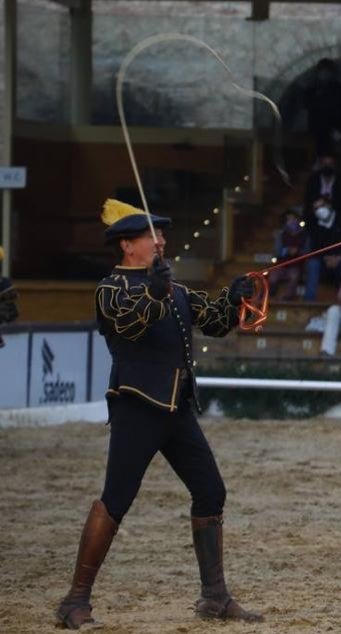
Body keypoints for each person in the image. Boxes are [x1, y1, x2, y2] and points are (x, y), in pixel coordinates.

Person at [55, 199, 261, 629]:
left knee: (211, 491)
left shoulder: (177, 290)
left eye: (162, 234)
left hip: (177, 410)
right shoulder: (110, 288)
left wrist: (233, 296)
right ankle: (75, 601)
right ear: (128, 245)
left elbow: (216, 321)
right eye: (153, 235)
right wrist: (154, 290)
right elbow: (130, 324)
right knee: (116, 500)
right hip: (137, 409)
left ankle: (214, 597)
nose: (162, 240)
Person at [303, 197, 341, 301]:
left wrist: (338, 257)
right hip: (323, 260)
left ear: (329, 206)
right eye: (316, 208)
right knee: (312, 264)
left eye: (322, 206)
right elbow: (314, 248)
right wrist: (326, 258)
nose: (319, 210)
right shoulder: (313, 226)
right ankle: (309, 301)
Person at [303, 58, 341, 155]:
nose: (324, 73)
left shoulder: (337, 88)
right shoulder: (312, 88)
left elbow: (339, 108)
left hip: (334, 127)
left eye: (327, 70)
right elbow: (307, 104)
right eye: (322, 70)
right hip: (316, 128)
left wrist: (337, 130)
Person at [269, 210, 305, 301]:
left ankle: (287, 297)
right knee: (273, 276)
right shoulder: (281, 235)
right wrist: (286, 250)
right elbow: (276, 252)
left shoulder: (304, 235)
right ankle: (271, 296)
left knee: (293, 276)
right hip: (282, 263)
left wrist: (298, 251)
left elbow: (307, 251)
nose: (292, 221)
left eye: (293, 219)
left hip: (297, 264)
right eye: (289, 219)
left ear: (298, 220)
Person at [303, 154, 341, 221]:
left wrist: (327, 203)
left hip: (336, 213)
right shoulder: (313, 179)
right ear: (321, 165)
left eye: (330, 164)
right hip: (316, 211)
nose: (327, 166)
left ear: (334, 165)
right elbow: (309, 198)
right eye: (325, 164)